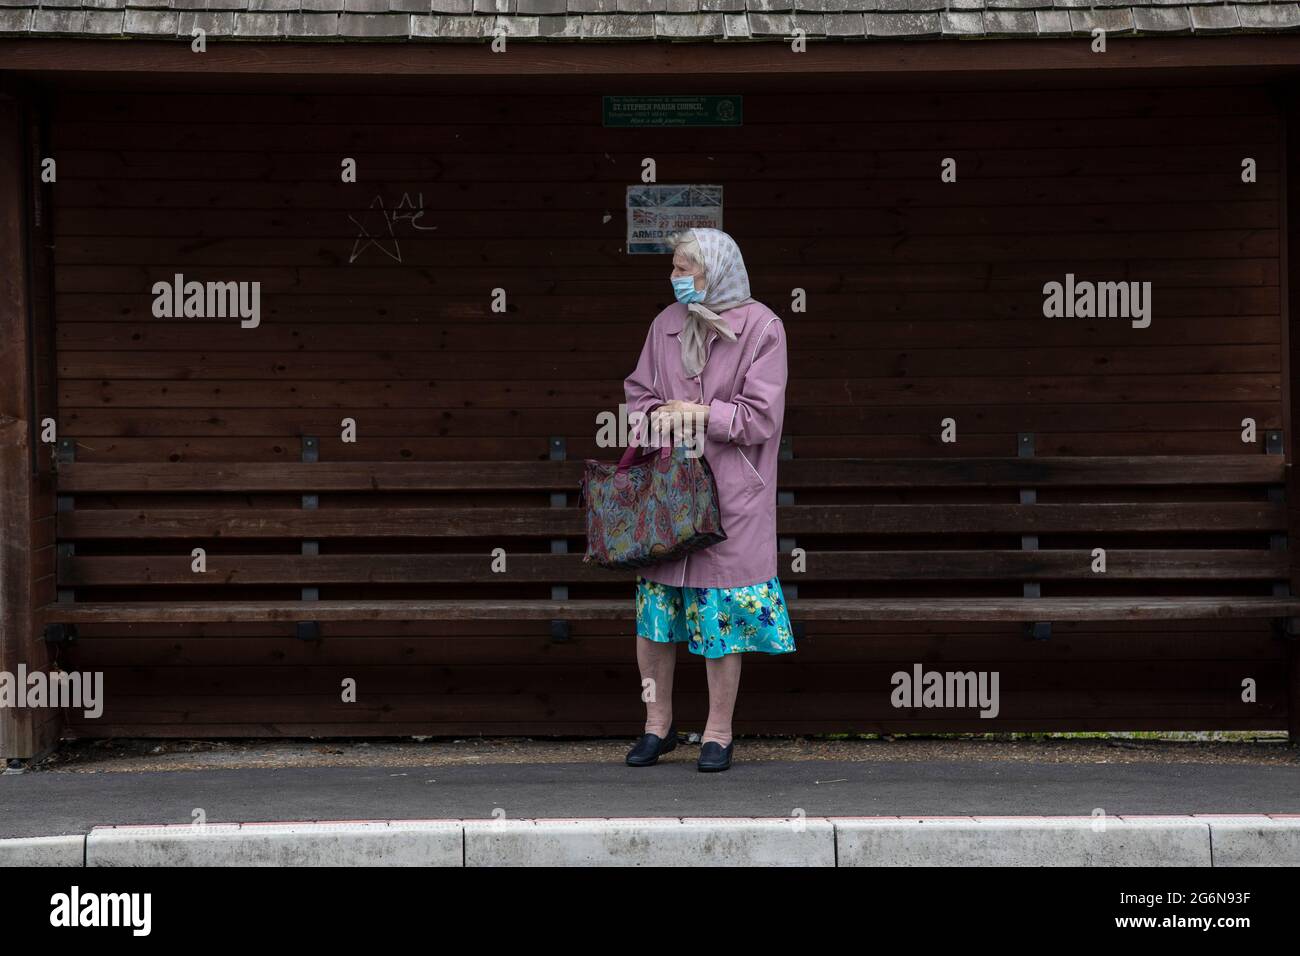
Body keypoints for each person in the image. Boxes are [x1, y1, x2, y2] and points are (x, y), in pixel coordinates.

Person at [621, 227, 795, 773]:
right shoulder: (665, 325)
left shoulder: (763, 327)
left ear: (716, 271)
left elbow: (760, 417)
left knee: (721, 618)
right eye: (673, 269)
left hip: (730, 495)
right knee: (656, 619)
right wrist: (656, 419)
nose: (676, 279)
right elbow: (638, 396)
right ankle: (658, 725)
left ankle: (718, 732)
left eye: (686, 270)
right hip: (669, 497)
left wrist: (697, 414)